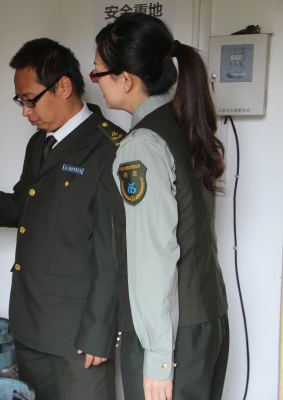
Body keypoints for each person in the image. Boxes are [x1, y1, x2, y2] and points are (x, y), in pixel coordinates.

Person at [0, 38, 127, 400]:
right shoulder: (40, 144)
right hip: (31, 322)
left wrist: (99, 333)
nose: (25, 111)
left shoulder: (110, 149)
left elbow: (114, 251)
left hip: (78, 336)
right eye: (20, 101)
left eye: (30, 99)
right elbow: (27, 205)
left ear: (63, 86)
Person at [92, 13, 229, 400]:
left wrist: (157, 359)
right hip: (207, 320)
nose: (96, 82)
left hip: (171, 335)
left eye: (97, 73)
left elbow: (154, 255)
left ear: (126, 79)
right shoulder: (184, 124)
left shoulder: (142, 145)